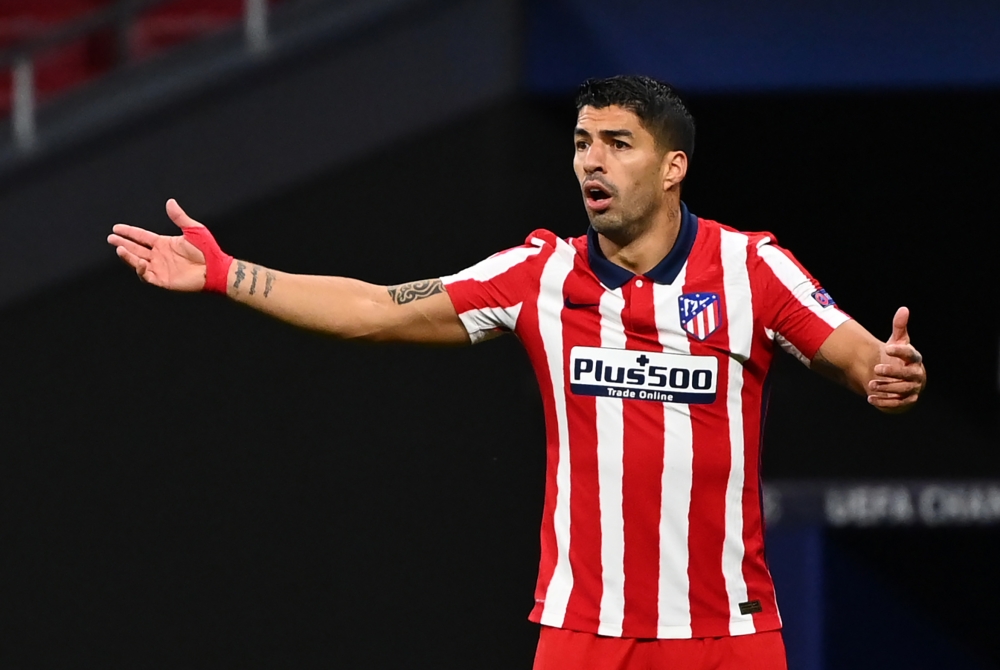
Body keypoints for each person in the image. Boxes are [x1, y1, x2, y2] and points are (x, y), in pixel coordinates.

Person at [107, 75, 926, 669]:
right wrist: (226, 274)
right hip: (582, 634)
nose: (590, 163)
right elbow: (377, 309)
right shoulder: (537, 275)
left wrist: (891, 375)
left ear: (672, 167)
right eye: (580, 143)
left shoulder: (752, 269)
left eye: (616, 144)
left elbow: (863, 363)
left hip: (727, 635)